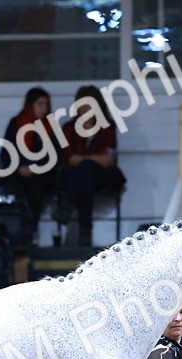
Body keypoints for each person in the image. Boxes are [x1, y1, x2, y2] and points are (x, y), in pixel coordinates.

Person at [59, 85, 126, 248]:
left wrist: (85, 159)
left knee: (86, 169)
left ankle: (68, 205)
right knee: (85, 177)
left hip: (103, 176)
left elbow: (108, 160)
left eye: (89, 105)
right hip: (78, 177)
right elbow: (69, 158)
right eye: (82, 105)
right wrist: (94, 158)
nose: (85, 109)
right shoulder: (68, 128)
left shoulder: (107, 126)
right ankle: (85, 231)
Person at [3, 87, 59, 231]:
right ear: (30, 104)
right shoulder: (16, 123)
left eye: (46, 104)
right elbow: (7, 151)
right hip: (17, 172)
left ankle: (31, 230)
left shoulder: (50, 126)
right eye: (40, 104)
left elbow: (55, 154)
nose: (44, 108)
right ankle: (17, 231)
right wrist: (19, 167)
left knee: (35, 189)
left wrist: (34, 168)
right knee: (15, 188)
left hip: (42, 174)